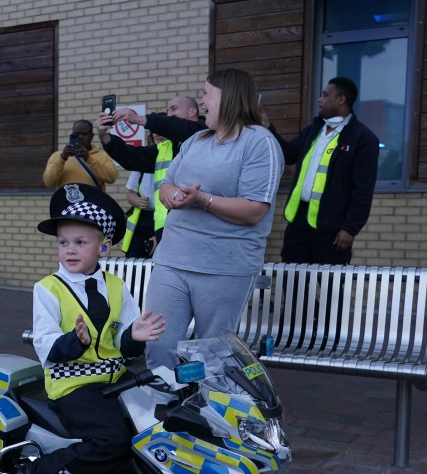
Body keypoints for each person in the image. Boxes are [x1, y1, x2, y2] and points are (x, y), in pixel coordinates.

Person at [22, 183, 166, 474]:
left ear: (104, 247)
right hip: (72, 386)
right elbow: (45, 343)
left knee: (158, 423)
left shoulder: (116, 286)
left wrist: (135, 336)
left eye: (80, 242)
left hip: (116, 380)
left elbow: (123, 341)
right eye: (63, 242)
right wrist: (76, 342)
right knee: (111, 440)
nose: (69, 249)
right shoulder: (47, 289)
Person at [143, 68, 284, 370]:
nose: (203, 102)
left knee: (212, 355)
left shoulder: (260, 142)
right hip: (172, 260)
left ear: (228, 96)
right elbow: (167, 180)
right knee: (159, 343)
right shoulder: (197, 140)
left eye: (207, 94)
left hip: (223, 266)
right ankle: (166, 410)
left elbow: (254, 210)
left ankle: (208, 414)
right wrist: (169, 194)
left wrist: (202, 200)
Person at [268, 76, 379, 265]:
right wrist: (268, 128)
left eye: (325, 95)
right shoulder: (313, 131)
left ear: (341, 99)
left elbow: (362, 190)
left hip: (332, 230)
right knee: (293, 283)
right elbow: (286, 155)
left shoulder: (362, 138)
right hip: (298, 223)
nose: (320, 99)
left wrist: (350, 228)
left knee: (331, 289)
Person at [98, 95, 206, 254]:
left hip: (197, 226)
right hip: (167, 229)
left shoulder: (205, 133)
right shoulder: (167, 146)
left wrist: (140, 119)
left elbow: (182, 127)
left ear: (192, 111)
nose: (169, 114)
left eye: (174, 108)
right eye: (168, 110)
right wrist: (105, 136)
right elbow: (132, 158)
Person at [42, 120, 117, 190]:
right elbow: (49, 183)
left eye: (84, 134)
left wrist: (89, 159)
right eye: (76, 134)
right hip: (67, 203)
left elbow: (111, 178)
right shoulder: (57, 156)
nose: (80, 137)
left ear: (92, 136)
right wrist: (62, 159)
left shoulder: (102, 156)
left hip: (92, 203)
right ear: (72, 135)